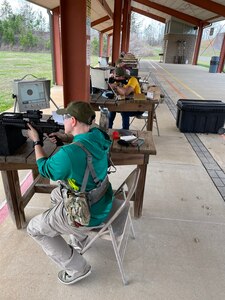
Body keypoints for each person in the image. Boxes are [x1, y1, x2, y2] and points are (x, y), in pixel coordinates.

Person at [26, 101, 114, 285]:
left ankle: (77, 267)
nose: (63, 120)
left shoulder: (68, 154)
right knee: (56, 195)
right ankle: (77, 238)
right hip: (103, 200)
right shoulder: (99, 135)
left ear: (72, 120)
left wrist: (36, 141)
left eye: (65, 118)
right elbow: (82, 143)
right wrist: (66, 137)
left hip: (88, 214)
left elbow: (44, 168)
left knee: (34, 229)